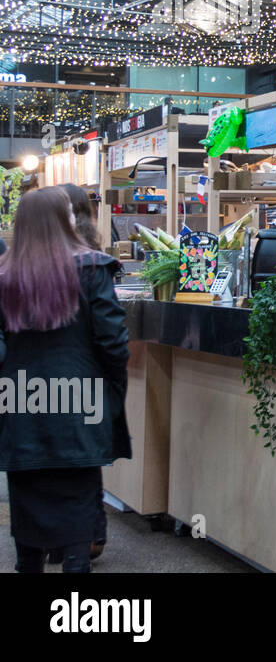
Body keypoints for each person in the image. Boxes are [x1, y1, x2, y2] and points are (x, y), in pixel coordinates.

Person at [0, 187, 130, 573]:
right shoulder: (93, 268)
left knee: (25, 487)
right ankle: (75, 574)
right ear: (64, 220)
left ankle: (28, 565)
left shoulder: (4, 275)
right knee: (78, 487)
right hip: (81, 397)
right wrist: (112, 390)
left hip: (19, 399)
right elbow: (113, 341)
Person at [54, 183, 110, 563]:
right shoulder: (91, 257)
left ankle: (75, 540)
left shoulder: (64, 258)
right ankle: (86, 538)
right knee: (81, 463)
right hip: (82, 376)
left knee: (66, 464)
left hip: (60, 378)